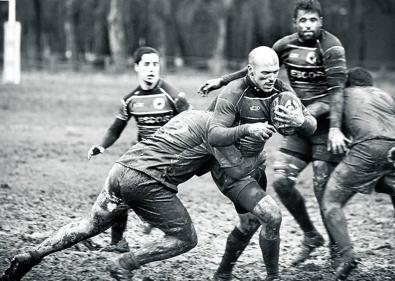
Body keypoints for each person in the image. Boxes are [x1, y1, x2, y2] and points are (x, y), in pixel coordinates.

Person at [2, 105, 301, 281]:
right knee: (186, 238)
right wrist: (257, 159)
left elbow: (192, 165)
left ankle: (32, 255)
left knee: (91, 225)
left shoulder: (189, 115)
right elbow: (235, 172)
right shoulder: (217, 132)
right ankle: (124, 263)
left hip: (121, 170)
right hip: (145, 182)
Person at [198, 0, 349, 265]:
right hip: (291, 118)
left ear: (321, 22)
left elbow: (337, 92)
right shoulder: (285, 45)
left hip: (323, 125)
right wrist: (221, 82)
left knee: (321, 188)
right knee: (281, 182)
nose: (308, 25)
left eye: (313, 20)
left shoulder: (332, 47)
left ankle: (337, 252)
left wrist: (336, 128)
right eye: (303, 20)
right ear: (295, 22)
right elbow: (254, 67)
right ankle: (311, 235)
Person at [206, 46, 317, 281]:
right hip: (229, 168)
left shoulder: (280, 89)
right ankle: (273, 277)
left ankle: (222, 273)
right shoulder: (233, 93)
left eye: (275, 72)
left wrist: (300, 120)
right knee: (272, 216)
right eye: (265, 73)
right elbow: (213, 135)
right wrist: (247, 128)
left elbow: (312, 124)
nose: (271, 78)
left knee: (250, 222)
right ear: (250, 70)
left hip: (255, 165)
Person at [87, 46, 191, 252]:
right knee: (120, 192)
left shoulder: (173, 96)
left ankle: (147, 227)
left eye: (155, 64)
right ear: (136, 67)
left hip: (168, 159)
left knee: (139, 195)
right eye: (146, 64)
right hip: (142, 156)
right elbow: (115, 129)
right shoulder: (130, 100)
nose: (152, 69)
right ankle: (118, 243)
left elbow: (192, 123)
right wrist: (101, 145)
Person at [322, 67, 395, 280]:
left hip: (369, 147)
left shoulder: (343, 95)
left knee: (331, 203)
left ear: (348, 84)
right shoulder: (384, 95)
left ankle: (347, 255)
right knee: (388, 185)